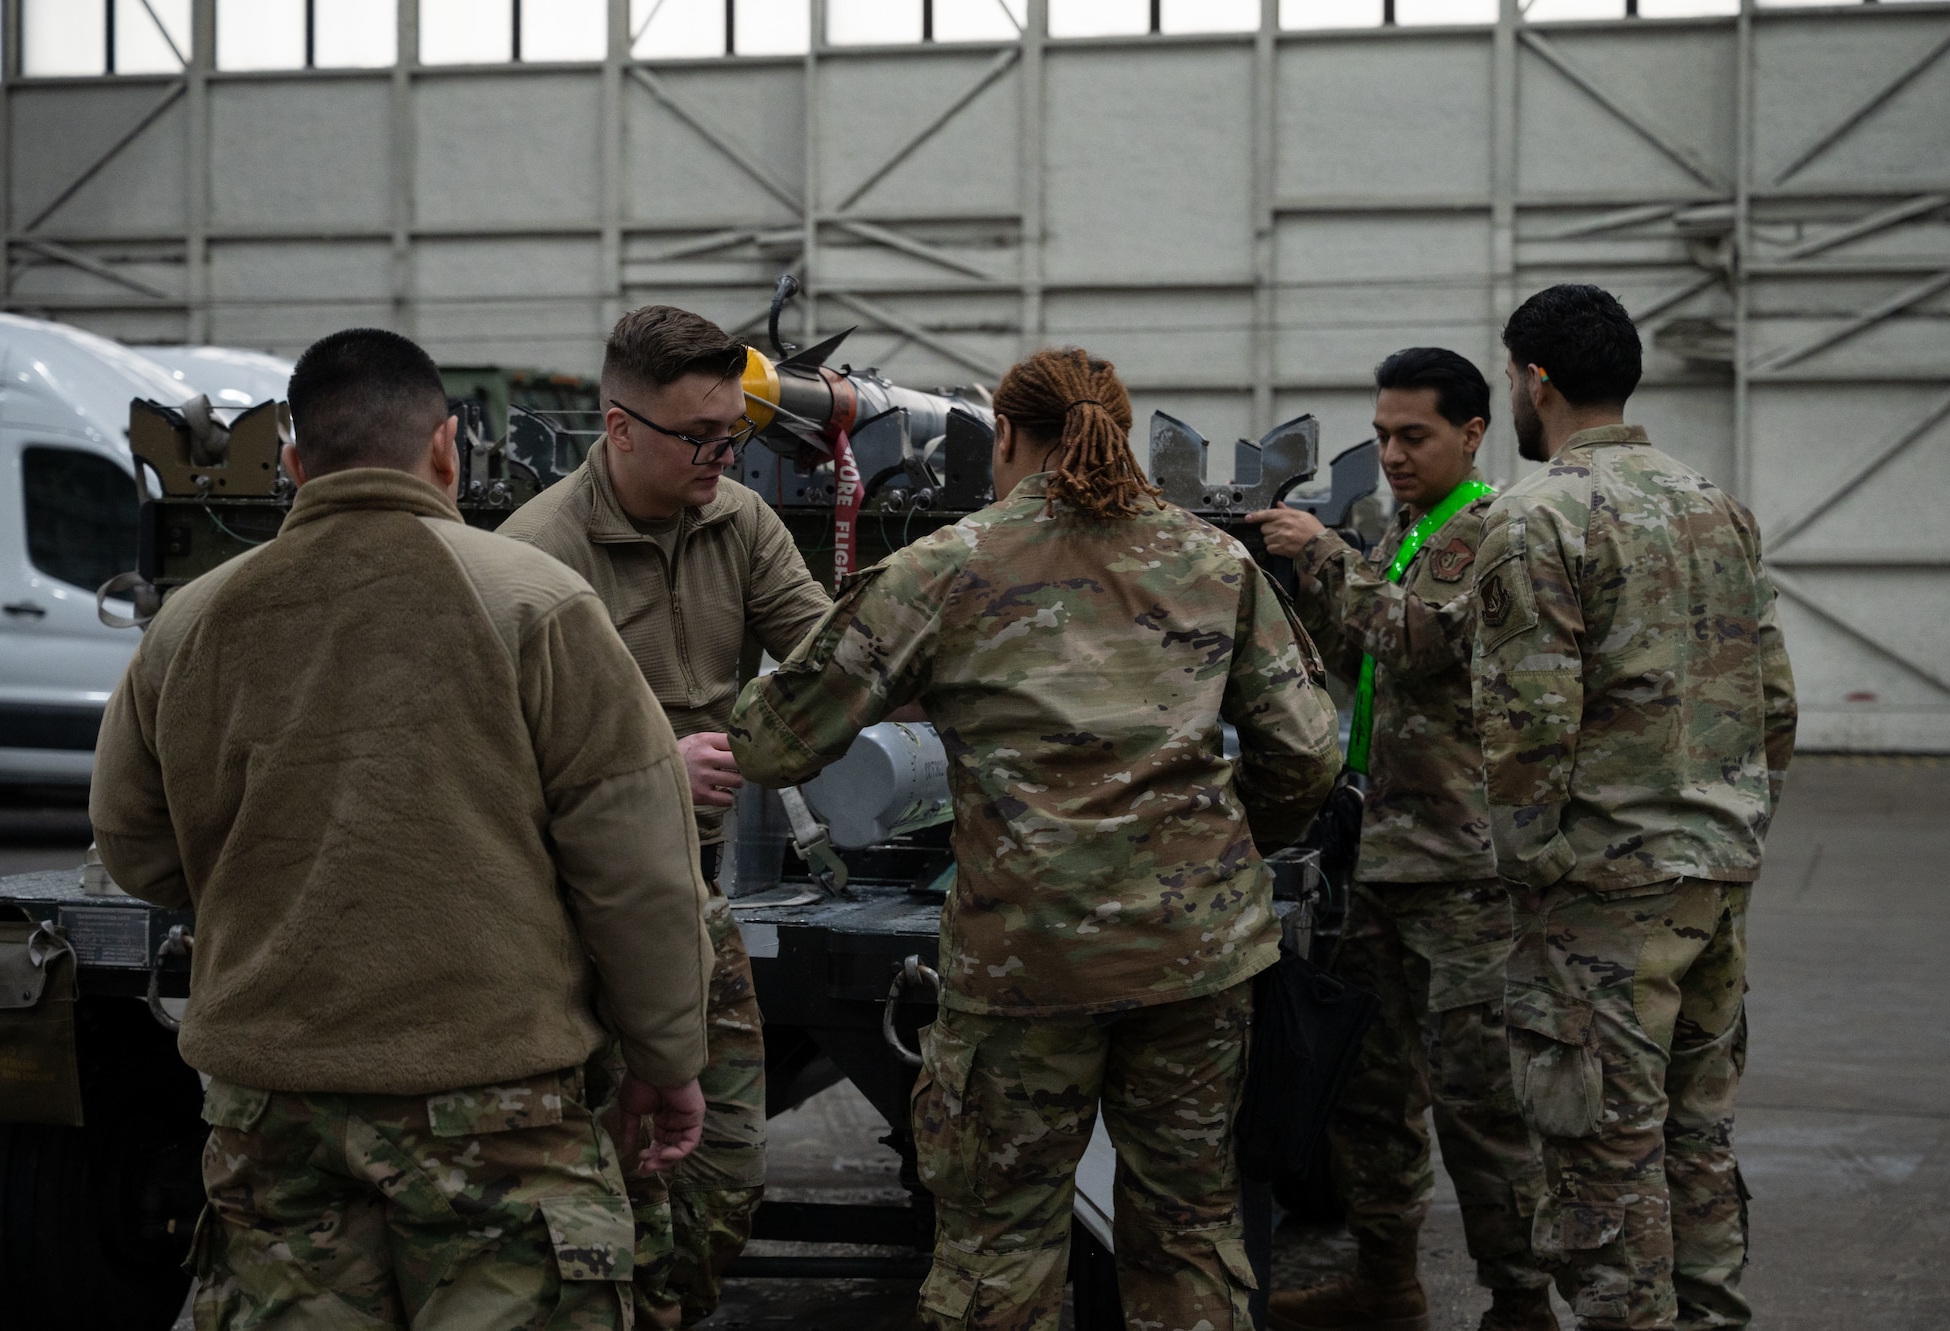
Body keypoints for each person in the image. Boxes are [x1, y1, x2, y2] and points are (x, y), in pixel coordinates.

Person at [89, 328, 713, 1328]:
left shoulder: (190, 622)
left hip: (268, 1111)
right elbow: (637, 869)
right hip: (495, 1111)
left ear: (294, 464)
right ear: (445, 447)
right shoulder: (537, 603)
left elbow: (132, 844)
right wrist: (666, 1060)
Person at [728, 346, 1344, 1331]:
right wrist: (1215, 849)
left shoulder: (946, 567)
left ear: (1003, 438)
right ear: (1122, 430)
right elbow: (1305, 755)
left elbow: (770, 737)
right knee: (1185, 1235)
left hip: (1023, 969)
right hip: (1191, 963)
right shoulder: (1212, 561)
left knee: (996, 1251)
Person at [500, 304, 831, 1327]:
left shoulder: (737, 518)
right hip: (565, 911)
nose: (721, 456)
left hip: (689, 892)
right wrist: (645, 768)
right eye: (698, 437)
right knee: (602, 1190)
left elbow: (824, 662)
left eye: (732, 433)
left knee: (724, 1174)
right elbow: (489, 762)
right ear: (618, 427)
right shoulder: (534, 557)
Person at [1472, 285, 1795, 1331]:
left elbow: (1526, 723)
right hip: (1714, 875)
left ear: (1534, 379)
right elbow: (1774, 701)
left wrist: (1530, 866)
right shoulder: (1714, 505)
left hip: (1600, 895)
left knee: (1600, 1166)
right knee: (1692, 1144)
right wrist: (1729, 821)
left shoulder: (1533, 518)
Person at [1249, 348, 1556, 1331]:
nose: (1390, 452)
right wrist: (1295, 587)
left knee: (1477, 1099)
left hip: (1464, 871)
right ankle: (1386, 1284)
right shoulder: (1411, 531)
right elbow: (1359, 654)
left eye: (1410, 435)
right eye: (1380, 434)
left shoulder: (1488, 528)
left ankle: (1518, 1299)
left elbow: (1425, 638)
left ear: (1470, 432)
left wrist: (1323, 553)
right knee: (1370, 1089)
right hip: (1387, 855)